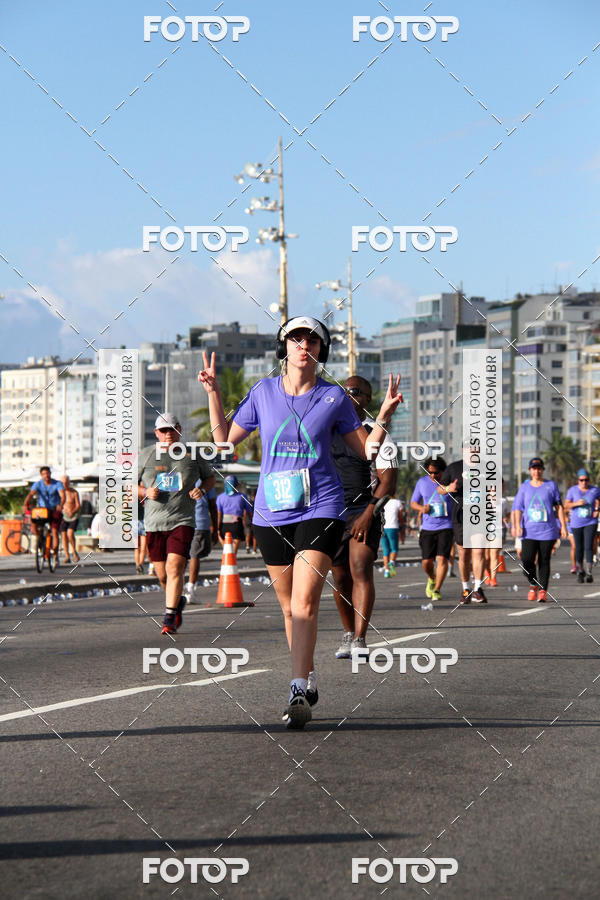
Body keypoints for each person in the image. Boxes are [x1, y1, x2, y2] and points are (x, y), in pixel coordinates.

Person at [198, 315, 402, 729]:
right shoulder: (263, 392)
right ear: (285, 348)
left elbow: (367, 451)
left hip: (322, 506)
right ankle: (307, 675)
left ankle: (295, 687)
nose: (303, 345)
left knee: (306, 601)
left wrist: (382, 414)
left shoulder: (334, 398)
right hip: (271, 510)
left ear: (320, 351)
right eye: (295, 339)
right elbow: (223, 443)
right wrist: (214, 392)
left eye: (311, 340)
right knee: (289, 608)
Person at [330, 375, 398, 658]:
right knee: (340, 576)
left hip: (364, 510)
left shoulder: (378, 433)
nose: (348, 395)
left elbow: (388, 482)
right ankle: (348, 632)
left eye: (355, 392)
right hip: (331, 511)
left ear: (367, 399)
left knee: (360, 567)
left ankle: (359, 638)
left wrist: (369, 513)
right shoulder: (326, 432)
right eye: (344, 391)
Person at [138, 412, 215, 634]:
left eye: (172, 429)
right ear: (156, 433)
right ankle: (177, 600)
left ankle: (169, 617)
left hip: (182, 520)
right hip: (154, 523)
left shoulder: (193, 454)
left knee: (175, 568)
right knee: (162, 575)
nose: (168, 434)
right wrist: (144, 491)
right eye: (164, 430)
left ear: (179, 429)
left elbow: (210, 478)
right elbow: (128, 485)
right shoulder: (146, 455)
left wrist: (202, 489)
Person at [512, 457, 567, 602]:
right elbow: (517, 508)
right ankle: (533, 583)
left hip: (548, 530)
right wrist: (516, 526)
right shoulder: (524, 487)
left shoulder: (551, 486)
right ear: (530, 471)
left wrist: (563, 526)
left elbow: (559, 507)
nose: (536, 471)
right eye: (534, 468)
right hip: (528, 531)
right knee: (527, 560)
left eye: (539, 468)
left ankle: (542, 590)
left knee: (544, 560)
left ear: (542, 470)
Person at [438, 447, 488, 605]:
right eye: (469, 448)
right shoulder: (454, 468)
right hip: (460, 516)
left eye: (475, 449)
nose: (473, 451)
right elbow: (440, 489)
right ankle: (466, 588)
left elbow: (498, 483)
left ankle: (478, 589)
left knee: (479, 551)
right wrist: (448, 489)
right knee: (464, 553)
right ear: (463, 450)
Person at [410, 457, 453, 603]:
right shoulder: (422, 482)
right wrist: (422, 508)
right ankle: (431, 578)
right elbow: (413, 503)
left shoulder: (450, 484)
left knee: (442, 559)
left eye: (436, 473)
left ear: (443, 471)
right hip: (427, 527)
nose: (433, 476)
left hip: (446, 526)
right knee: (426, 563)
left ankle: (437, 590)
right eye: (430, 473)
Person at [565, 468, 600, 583]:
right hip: (576, 523)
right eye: (581, 480)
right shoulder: (572, 490)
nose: (584, 482)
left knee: (589, 546)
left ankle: (589, 572)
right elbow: (566, 506)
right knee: (578, 548)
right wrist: (576, 503)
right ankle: (580, 571)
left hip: (591, 522)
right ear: (578, 480)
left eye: (586, 480)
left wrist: (597, 509)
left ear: (589, 480)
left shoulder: (594, 490)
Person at [23, 466, 65, 560]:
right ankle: (39, 539)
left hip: (54, 509)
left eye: (48, 473)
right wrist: (25, 504)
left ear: (50, 473)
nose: (46, 476)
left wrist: (61, 504)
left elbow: (63, 496)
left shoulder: (57, 484)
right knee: (33, 521)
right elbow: (30, 494)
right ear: (41, 475)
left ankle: (55, 553)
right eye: (44, 474)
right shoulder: (38, 484)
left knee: (54, 531)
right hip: (43, 510)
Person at [184, 484, 218, 602]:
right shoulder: (206, 480)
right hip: (199, 522)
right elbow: (213, 506)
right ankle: (190, 590)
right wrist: (215, 528)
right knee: (195, 555)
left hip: (180, 521)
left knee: (180, 555)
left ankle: (179, 587)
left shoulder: (179, 475)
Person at [216, 475, 249, 556]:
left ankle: (227, 559)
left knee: (226, 548)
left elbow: (219, 514)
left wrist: (217, 527)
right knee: (234, 550)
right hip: (236, 523)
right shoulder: (242, 496)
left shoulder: (220, 497)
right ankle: (231, 560)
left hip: (224, 524)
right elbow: (249, 512)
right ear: (236, 485)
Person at [381, 491, 403, 578]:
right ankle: (392, 562)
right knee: (394, 549)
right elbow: (401, 516)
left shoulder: (382, 502)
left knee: (385, 550)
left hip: (382, 527)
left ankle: (386, 571)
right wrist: (402, 525)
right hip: (393, 527)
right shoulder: (397, 502)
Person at [60, 475, 81, 564]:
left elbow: (78, 505)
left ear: (69, 483)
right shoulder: (60, 493)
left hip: (73, 516)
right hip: (63, 516)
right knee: (64, 535)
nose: (65, 484)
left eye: (66, 482)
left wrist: (73, 511)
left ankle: (74, 551)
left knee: (70, 534)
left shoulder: (74, 492)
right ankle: (67, 556)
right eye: (63, 483)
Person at [134, 497, 148, 574]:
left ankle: (140, 566)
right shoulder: (134, 498)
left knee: (142, 547)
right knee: (139, 547)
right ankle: (138, 566)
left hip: (142, 523)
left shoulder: (146, 499)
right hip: (136, 522)